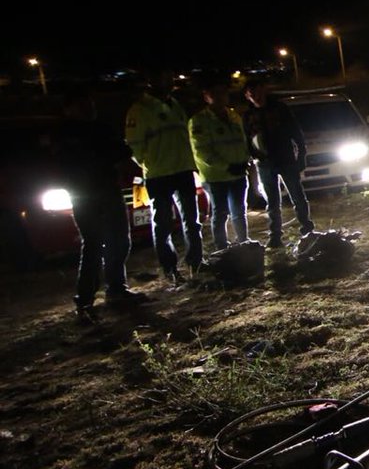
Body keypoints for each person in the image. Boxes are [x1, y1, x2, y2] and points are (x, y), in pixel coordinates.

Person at [57, 87, 147, 319]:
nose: (89, 108)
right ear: (69, 109)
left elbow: (123, 157)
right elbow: (118, 159)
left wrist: (136, 175)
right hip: (86, 195)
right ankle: (86, 299)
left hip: (107, 191)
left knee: (118, 241)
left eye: (90, 103)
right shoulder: (65, 135)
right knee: (95, 245)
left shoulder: (101, 129)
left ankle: (115, 289)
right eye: (82, 104)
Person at [125, 69, 203, 282]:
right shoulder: (140, 109)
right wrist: (151, 163)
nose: (169, 82)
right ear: (151, 82)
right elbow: (134, 147)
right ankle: (170, 268)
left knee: (192, 221)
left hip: (183, 170)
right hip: (159, 174)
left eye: (169, 78)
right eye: (163, 78)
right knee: (163, 223)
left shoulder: (174, 105)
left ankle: (196, 262)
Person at [242, 78, 314, 248]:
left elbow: (296, 131)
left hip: (286, 159)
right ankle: (275, 236)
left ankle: (307, 228)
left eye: (257, 92)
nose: (255, 97)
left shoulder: (280, 108)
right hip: (264, 163)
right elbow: (247, 139)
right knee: (272, 202)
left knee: (297, 196)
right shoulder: (248, 116)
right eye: (251, 95)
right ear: (247, 96)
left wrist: (301, 154)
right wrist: (252, 156)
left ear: (263, 89)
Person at [189, 79, 250, 250]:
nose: (220, 97)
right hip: (216, 177)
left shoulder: (233, 116)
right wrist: (226, 167)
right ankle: (222, 248)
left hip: (238, 173)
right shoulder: (199, 121)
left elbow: (242, 141)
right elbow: (202, 152)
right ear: (206, 96)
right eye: (215, 93)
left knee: (239, 212)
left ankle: (244, 243)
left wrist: (245, 161)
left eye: (223, 92)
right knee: (220, 213)